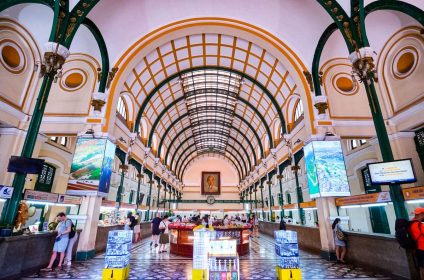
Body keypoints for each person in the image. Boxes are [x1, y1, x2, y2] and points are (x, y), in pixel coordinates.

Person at [409, 208, 424, 279]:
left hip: (417, 249)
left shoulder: (411, 224)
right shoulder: (420, 225)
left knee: (421, 267)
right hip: (423, 249)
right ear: (421, 215)